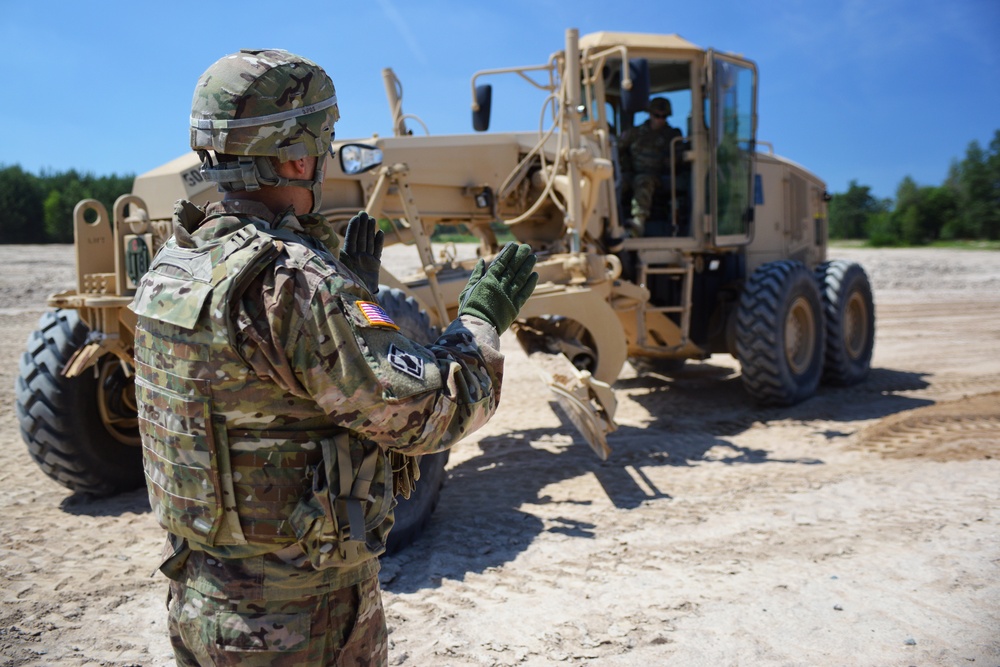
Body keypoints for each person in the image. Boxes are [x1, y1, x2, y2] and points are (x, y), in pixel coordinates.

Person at [129, 48, 537, 666]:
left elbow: (252, 397)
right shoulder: (294, 282)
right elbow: (431, 412)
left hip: (199, 600)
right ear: (296, 156)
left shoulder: (174, 264)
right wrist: (479, 324)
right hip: (298, 622)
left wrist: (351, 302)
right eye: (321, 146)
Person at [618, 96, 683, 235]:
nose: (660, 119)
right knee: (617, 183)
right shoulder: (635, 133)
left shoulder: (672, 135)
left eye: (664, 116)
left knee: (643, 181)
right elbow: (618, 148)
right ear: (650, 114)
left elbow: (678, 158)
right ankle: (612, 221)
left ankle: (638, 222)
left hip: (657, 177)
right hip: (633, 173)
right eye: (657, 115)